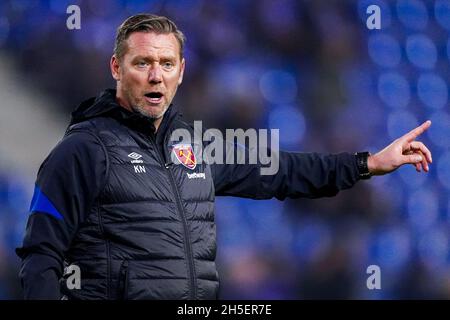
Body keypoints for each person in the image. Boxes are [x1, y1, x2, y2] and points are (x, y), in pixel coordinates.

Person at [16, 14, 432, 300]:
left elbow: (283, 171)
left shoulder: (197, 149)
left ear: (181, 70)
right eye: (142, 62)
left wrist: (366, 164)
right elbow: (41, 256)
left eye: (166, 63)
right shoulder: (81, 152)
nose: (155, 75)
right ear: (116, 68)